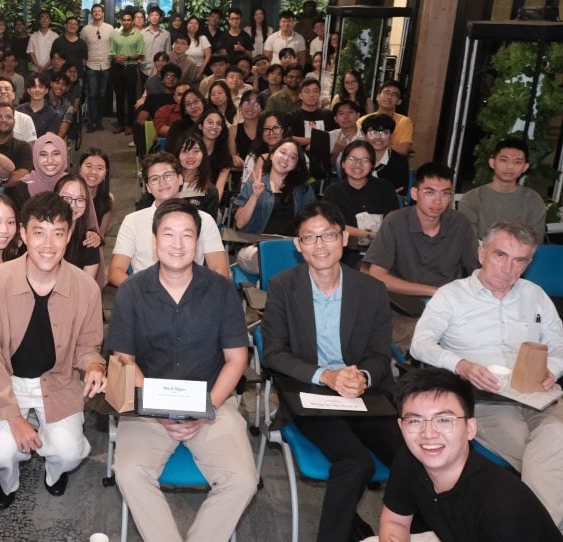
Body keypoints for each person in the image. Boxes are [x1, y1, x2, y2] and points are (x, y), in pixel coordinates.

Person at [108, 198, 257, 542]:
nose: (177, 244)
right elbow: (124, 359)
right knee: (129, 471)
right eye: (168, 234)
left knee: (242, 480)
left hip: (212, 402)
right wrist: (160, 411)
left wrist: (205, 411)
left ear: (198, 241)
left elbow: (236, 360)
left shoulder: (221, 290)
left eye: (187, 235)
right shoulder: (132, 291)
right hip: (147, 406)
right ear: (154, 240)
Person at [410, 220, 563, 532]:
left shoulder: (535, 297)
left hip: (538, 395)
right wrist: (461, 365)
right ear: (481, 253)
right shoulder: (452, 296)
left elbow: (558, 343)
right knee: (548, 456)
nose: (508, 269)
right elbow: (420, 344)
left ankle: (527, 532)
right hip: (485, 400)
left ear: (529, 263)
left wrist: (553, 368)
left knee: (556, 440)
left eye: (519, 260)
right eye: (500, 255)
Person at [262, 200, 402, 542]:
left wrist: (361, 377)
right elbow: (274, 354)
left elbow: (379, 353)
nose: (320, 244)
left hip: (363, 393)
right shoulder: (283, 287)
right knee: (355, 463)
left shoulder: (371, 290)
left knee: (411, 456)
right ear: (298, 245)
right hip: (311, 395)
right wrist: (326, 376)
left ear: (344, 239)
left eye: (328, 235)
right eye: (309, 237)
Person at [0, 192, 107, 509]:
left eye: (57, 233)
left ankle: (53, 471)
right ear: (23, 234)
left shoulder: (85, 287)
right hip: (3, 382)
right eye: (39, 233)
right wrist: (13, 416)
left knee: (69, 453)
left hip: (57, 380)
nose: (48, 245)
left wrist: (93, 365)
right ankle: (8, 482)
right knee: (3, 453)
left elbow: (88, 344)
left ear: (69, 235)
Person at [379, 368, 563, 542]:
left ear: (470, 428)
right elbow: (395, 522)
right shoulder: (410, 458)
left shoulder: (503, 508)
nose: (428, 434)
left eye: (443, 420)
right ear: (401, 427)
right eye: (415, 421)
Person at [364, 163, 479, 352]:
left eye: (445, 193)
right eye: (429, 192)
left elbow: (477, 272)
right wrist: (433, 291)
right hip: (402, 307)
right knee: (418, 344)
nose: (438, 201)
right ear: (415, 193)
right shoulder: (395, 221)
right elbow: (377, 275)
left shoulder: (460, 224)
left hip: (448, 309)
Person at [109, 152, 229, 286]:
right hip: (146, 291)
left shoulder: (204, 220)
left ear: (180, 179)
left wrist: (203, 293)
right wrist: (140, 293)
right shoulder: (133, 221)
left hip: (192, 292)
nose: (162, 182)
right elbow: (116, 270)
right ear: (148, 187)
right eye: (155, 179)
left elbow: (220, 269)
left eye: (168, 176)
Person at [324, 140, 399, 266]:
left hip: (381, 253)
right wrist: (369, 235)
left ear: (372, 165)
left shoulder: (385, 188)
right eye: (352, 159)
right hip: (344, 254)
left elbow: (393, 224)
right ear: (343, 163)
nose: (357, 164)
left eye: (364, 160)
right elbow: (333, 226)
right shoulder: (333, 192)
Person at [460, 137, 546, 242]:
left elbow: (535, 242)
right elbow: (467, 240)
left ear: (525, 167)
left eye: (517, 162)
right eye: (504, 160)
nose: (510, 167)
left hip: (519, 252)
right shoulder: (472, 198)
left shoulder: (533, 200)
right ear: (492, 163)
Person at [233, 139, 317, 235]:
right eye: (283, 152)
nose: (286, 158)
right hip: (256, 242)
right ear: (272, 155)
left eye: (292, 157)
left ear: (296, 165)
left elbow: (313, 223)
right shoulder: (252, 184)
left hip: (290, 243)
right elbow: (239, 223)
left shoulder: (304, 190)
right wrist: (255, 196)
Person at [0, 102, 33, 207]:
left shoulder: (23, 147)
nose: (3, 120)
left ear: (14, 121)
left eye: (8, 117)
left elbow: (22, 175)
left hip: (15, 204)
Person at [53, 174, 99, 278]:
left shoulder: (89, 241)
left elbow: (87, 284)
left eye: (80, 200)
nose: (73, 206)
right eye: (66, 198)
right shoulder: (40, 235)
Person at [80, 3, 114, 132]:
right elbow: (82, 47)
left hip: (106, 64)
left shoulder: (110, 28)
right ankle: (92, 122)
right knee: (92, 94)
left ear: (103, 13)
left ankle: (99, 120)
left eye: (99, 11)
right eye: (94, 11)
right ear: (92, 14)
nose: (97, 13)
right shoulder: (85, 29)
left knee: (102, 94)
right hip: (91, 65)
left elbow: (113, 45)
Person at [111, 9, 144, 135]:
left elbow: (141, 53)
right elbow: (112, 51)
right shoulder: (116, 35)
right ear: (121, 21)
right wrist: (116, 58)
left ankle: (130, 124)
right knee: (119, 97)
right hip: (117, 69)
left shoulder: (138, 36)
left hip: (131, 69)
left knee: (131, 98)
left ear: (132, 21)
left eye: (128, 20)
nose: (126, 22)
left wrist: (128, 58)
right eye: (124, 20)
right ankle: (120, 124)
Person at [359, 80, 413, 156]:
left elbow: (403, 150)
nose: (389, 97)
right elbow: (357, 147)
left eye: (394, 95)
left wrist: (375, 145)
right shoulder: (362, 120)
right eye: (386, 93)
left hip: (392, 160)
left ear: (399, 101)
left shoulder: (404, 121)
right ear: (378, 97)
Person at [0, 77, 37, 142]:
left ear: (13, 95)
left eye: (7, 89)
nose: (3, 91)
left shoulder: (25, 120)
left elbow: (31, 145)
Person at [362, 114, 410, 194]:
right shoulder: (356, 158)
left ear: (391, 135)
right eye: (373, 132)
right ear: (364, 135)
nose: (378, 137)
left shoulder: (399, 161)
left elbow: (400, 191)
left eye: (384, 132)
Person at [199, 108, 233, 202]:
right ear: (201, 126)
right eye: (210, 122)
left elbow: (219, 188)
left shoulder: (225, 156)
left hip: (210, 201)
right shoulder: (190, 151)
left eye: (218, 124)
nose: (214, 127)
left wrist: (212, 206)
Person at [17, 73, 64, 138]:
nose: (37, 90)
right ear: (28, 90)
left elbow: (48, 139)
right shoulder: (18, 111)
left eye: (41, 87)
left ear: (46, 90)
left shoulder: (53, 115)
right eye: (34, 87)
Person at [229, 91, 263, 168]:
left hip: (264, 174)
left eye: (256, 104)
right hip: (240, 173)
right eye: (247, 102)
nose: (251, 107)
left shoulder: (267, 130)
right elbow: (234, 160)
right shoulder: (233, 130)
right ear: (240, 107)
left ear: (262, 109)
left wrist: (245, 164)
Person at [141, 7, 171, 87]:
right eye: (152, 15)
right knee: (144, 91)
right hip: (144, 69)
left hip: (159, 70)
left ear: (160, 18)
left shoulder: (166, 34)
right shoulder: (142, 33)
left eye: (157, 15)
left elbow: (167, 53)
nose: (154, 17)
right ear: (148, 18)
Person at [329, 99, 363, 166]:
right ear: (335, 118)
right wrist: (336, 152)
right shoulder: (329, 136)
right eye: (341, 113)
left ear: (358, 115)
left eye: (350, 112)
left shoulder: (367, 135)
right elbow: (326, 167)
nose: (346, 117)